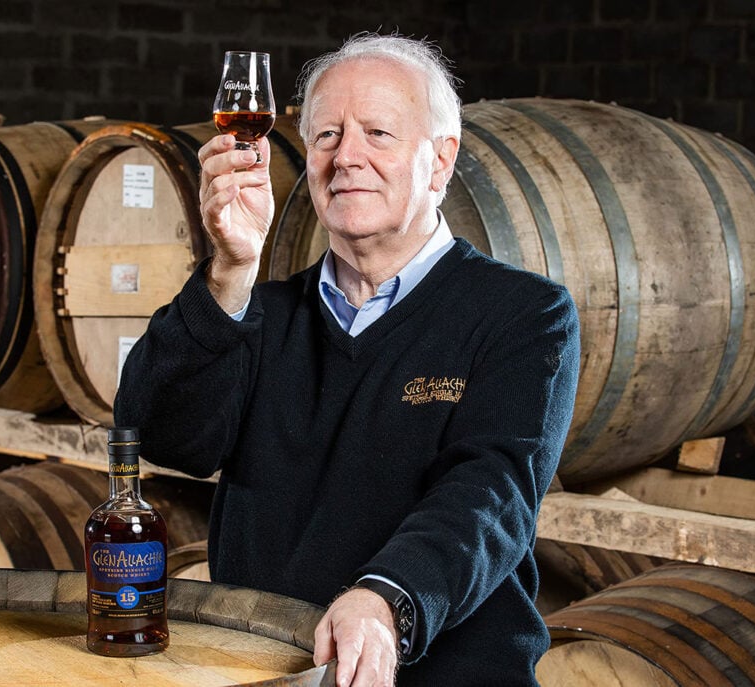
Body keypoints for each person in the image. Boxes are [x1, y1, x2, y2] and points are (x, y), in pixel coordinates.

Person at [115, 32, 580, 687]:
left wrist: (388, 595)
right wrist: (229, 268)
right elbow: (165, 433)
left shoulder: (523, 314)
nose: (346, 157)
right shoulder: (261, 312)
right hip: (269, 671)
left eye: (379, 133)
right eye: (327, 135)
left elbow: (490, 492)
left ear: (440, 161)